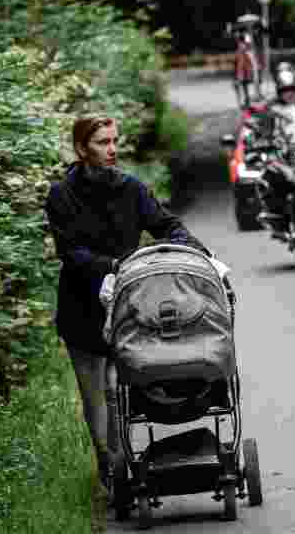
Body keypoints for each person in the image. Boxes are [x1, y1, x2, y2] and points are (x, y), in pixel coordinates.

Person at [44, 115, 206, 494]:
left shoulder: (130, 188)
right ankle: (108, 467)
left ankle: (126, 467)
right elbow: (71, 253)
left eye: (115, 140)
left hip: (127, 306)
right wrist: (115, 265)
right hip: (82, 307)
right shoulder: (61, 195)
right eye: (102, 142)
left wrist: (190, 246)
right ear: (82, 148)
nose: (112, 149)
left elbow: (166, 224)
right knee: (95, 398)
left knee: (122, 388)